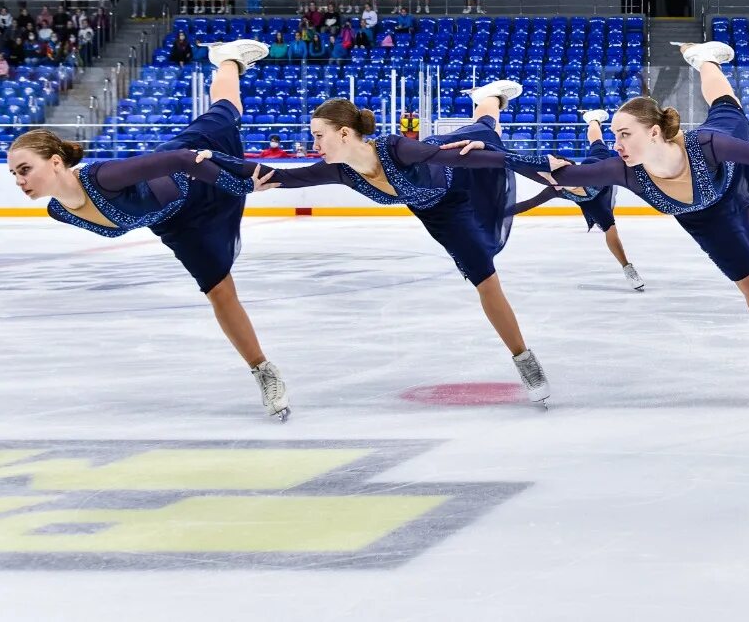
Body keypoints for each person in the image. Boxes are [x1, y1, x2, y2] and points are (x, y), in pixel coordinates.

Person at [467, 42, 749, 411]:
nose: (617, 143)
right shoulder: (624, 170)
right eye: (613, 135)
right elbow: (563, 171)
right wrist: (493, 150)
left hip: (726, 171)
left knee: (727, 107)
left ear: (655, 132)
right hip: (704, 218)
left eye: (624, 133)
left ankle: (705, 59)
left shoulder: (711, 146)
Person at [199, 81, 555, 405]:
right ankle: (486, 102)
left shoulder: (395, 148)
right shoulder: (339, 170)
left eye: (318, 135)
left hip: (463, 170)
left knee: (483, 129)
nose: (313, 144)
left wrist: (539, 162)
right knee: (483, 277)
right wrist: (215, 159)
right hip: (440, 212)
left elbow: (447, 156)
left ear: (342, 134)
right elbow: (281, 177)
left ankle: (488, 99)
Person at [6, 39, 290, 419]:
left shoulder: (103, 177)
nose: (19, 180)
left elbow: (179, 159)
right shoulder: (59, 210)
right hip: (177, 223)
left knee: (227, 110)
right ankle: (264, 371)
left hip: (198, 166)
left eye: (24, 170)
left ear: (56, 162)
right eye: (13, 174)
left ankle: (227, 59)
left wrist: (241, 186)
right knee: (220, 292)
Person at [508, 109, 646, 291]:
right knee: (610, 228)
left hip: (601, 170)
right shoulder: (556, 190)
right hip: (592, 202)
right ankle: (627, 267)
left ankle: (593, 119)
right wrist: (498, 212)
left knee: (597, 141)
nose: (562, 183)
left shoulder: (592, 171)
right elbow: (528, 204)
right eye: (558, 181)